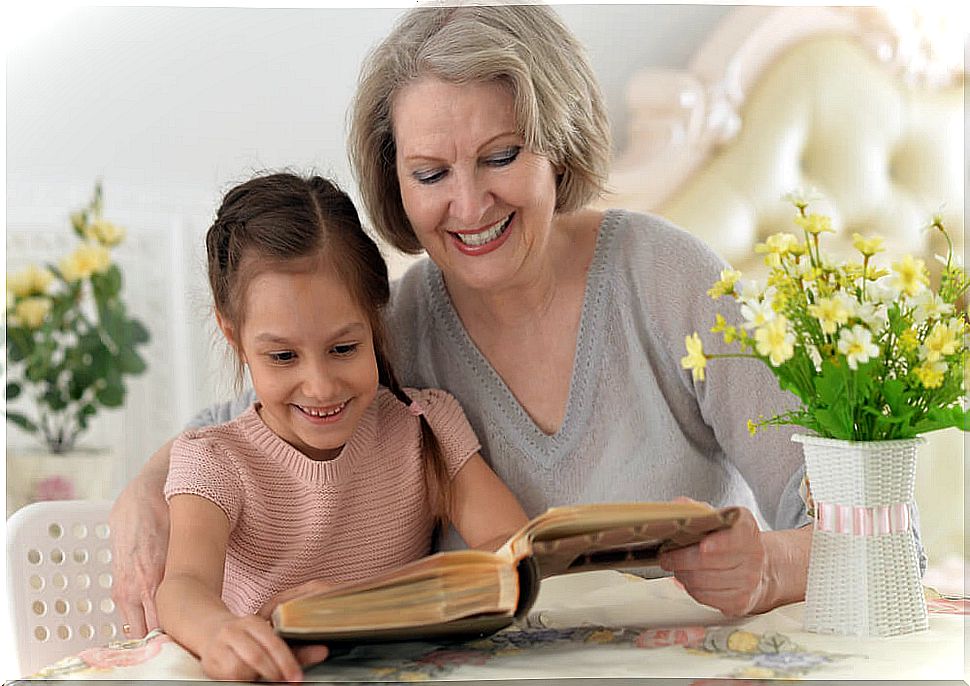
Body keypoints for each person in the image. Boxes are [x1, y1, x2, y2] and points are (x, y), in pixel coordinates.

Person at [112, 3, 871, 641]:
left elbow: (870, 527)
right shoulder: (392, 331)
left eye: (501, 155)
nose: (469, 206)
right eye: (431, 173)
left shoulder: (669, 280)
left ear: (557, 151)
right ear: (395, 183)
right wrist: (140, 493)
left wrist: (770, 563)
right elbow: (239, 422)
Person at [154, 172, 528, 682]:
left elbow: (510, 544)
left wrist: (361, 606)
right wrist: (221, 632)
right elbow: (183, 587)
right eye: (283, 356)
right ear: (232, 335)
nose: (321, 386)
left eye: (344, 349)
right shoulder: (214, 461)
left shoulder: (426, 427)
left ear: (375, 320)